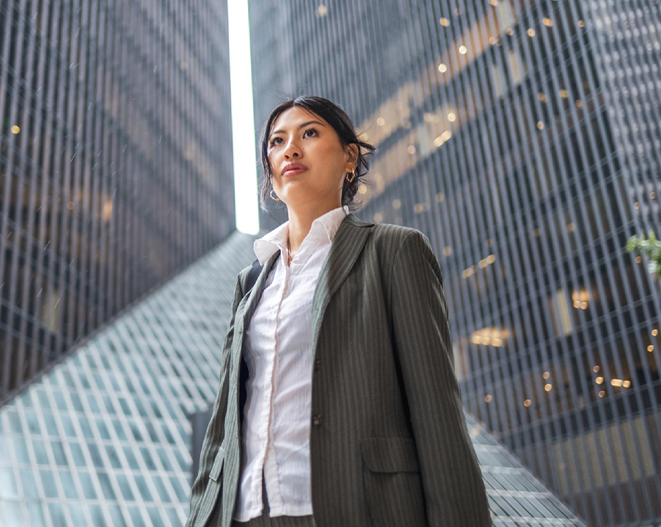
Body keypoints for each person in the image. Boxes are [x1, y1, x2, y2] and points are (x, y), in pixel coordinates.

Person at [186, 96, 491, 527]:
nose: (290, 148)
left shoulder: (393, 251)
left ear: (350, 158)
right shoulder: (250, 282)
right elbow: (222, 429)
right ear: (271, 179)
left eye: (309, 133)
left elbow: (437, 414)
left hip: (354, 507)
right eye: (277, 141)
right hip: (244, 513)